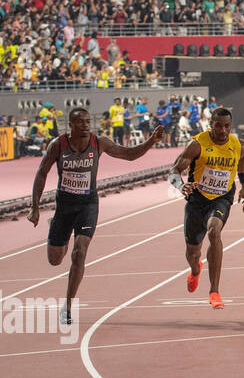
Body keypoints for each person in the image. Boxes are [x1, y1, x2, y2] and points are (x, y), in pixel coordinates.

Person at [28, 109, 164, 325]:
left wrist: (151, 141)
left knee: (79, 253)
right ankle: (54, 227)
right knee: (55, 260)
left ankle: (68, 306)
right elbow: (42, 172)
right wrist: (34, 207)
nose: (85, 125)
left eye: (87, 121)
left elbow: (128, 154)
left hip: (87, 205)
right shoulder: (59, 145)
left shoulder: (98, 142)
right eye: (80, 122)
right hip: (64, 206)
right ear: (71, 124)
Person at [169, 108, 244, 309]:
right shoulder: (197, 144)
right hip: (197, 199)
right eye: (218, 126)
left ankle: (214, 290)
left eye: (227, 126)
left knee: (215, 231)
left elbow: (242, 163)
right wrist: (181, 186)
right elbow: (174, 170)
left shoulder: (239, 145)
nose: (223, 130)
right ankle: (195, 270)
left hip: (222, 198)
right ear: (210, 124)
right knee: (193, 252)